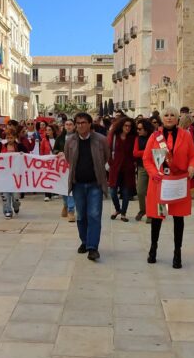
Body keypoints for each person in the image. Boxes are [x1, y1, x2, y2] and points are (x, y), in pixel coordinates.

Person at [143, 107, 194, 268]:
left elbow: (193, 155)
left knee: (178, 218)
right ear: (162, 118)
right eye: (166, 115)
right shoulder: (154, 136)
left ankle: (177, 253)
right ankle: (153, 248)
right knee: (158, 218)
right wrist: (154, 173)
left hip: (178, 181)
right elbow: (147, 159)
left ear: (177, 118)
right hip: (161, 182)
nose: (169, 118)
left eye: (172, 115)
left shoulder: (185, 135)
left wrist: (192, 167)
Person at [63, 112, 110, 261]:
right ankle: (84, 241)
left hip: (95, 183)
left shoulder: (101, 140)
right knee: (82, 216)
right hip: (78, 184)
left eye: (83, 122)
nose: (80, 125)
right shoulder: (70, 141)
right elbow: (68, 158)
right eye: (78, 123)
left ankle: (92, 247)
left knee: (94, 215)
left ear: (90, 124)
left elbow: (106, 157)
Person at [107, 117, 137, 222]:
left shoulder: (133, 137)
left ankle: (123, 213)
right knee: (112, 192)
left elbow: (135, 152)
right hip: (115, 168)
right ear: (121, 126)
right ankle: (117, 209)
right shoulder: (114, 136)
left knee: (125, 193)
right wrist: (110, 162)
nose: (128, 128)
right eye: (126, 125)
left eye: (129, 126)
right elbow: (108, 149)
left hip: (128, 169)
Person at [0, 129, 25, 219]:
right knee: (5, 194)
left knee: (15, 195)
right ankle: (7, 210)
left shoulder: (20, 146)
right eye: (8, 137)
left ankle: (16, 205)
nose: (9, 139)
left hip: (16, 174)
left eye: (11, 138)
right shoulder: (1, 146)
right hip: (3, 174)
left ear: (15, 138)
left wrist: (22, 155)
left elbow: (27, 156)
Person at [55, 119, 76, 222]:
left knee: (71, 187)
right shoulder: (60, 138)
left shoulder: (78, 138)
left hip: (74, 167)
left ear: (74, 126)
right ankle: (65, 204)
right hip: (62, 168)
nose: (68, 126)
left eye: (70, 124)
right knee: (64, 187)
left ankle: (71, 210)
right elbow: (54, 150)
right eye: (67, 124)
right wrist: (59, 152)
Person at [133, 118, 154, 222]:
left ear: (146, 129)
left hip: (154, 167)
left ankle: (151, 213)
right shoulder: (138, 139)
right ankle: (143, 210)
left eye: (140, 129)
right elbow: (135, 153)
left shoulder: (154, 137)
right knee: (140, 191)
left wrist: (144, 152)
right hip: (142, 167)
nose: (138, 130)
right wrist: (148, 151)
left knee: (152, 192)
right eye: (137, 128)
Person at [39, 123, 59, 202]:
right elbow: (42, 151)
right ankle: (47, 194)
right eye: (46, 130)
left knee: (55, 176)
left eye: (49, 130)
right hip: (47, 161)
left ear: (53, 131)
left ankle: (56, 192)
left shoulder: (58, 139)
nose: (47, 131)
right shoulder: (44, 140)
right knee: (47, 177)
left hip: (56, 161)